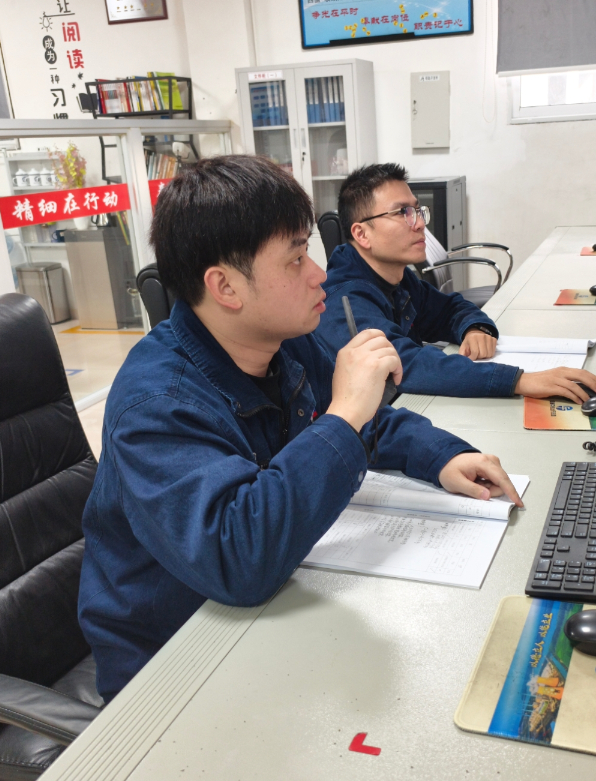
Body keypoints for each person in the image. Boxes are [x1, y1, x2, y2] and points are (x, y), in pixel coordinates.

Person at [78, 155, 523, 702]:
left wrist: (441, 456)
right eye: (295, 259)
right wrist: (345, 414)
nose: (319, 274)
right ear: (225, 287)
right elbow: (238, 557)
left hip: (268, 614)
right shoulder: (157, 405)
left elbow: (360, 420)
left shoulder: (282, 341)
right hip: (171, 662)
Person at [317, 163, 596, 402]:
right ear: (362, 234)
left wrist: (475, 327)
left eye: (417, 210)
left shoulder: (397, 278)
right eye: (402, 213)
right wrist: (519, 381)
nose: (420, 223)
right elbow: (407, 365)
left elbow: (449, 309)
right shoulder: (345, 301)